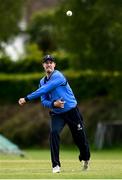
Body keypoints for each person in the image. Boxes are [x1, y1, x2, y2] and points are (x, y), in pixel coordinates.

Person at [18, 54, 90, 173]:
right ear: (43, 66)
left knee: (80, 139)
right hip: (57, 114)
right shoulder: (42, 81)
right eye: (46, 62)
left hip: (72, 111)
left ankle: (85, 158)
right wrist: (53, 104)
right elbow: (44, 100)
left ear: (54, 65)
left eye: (51, 62)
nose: (49, 64)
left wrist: (26, 98)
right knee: (54, 133)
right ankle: (55, 165)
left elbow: (45, 89)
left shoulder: (58, 76)